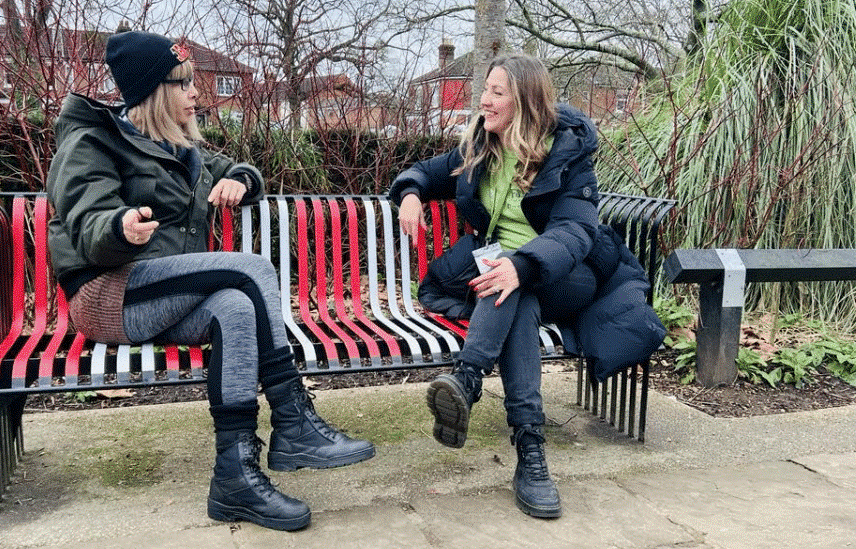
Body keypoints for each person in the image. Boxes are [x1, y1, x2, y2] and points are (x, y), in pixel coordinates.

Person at [46, 30, 375, 532]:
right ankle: (293, 420)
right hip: (108, 294)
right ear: (155, 94)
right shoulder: (91, 141)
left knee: (234, 308)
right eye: (182, 85)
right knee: (252, 270)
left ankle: (234, 478)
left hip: (164, 297)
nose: (195, 93)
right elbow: (87, 222)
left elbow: (242, 169)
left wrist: (240, 179)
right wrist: (119, 228)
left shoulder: (178, 148)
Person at [389, 54, 664, 519]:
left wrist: (524, 264)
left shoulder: (567, 154)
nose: (484, 100)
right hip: (515, 284)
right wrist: (411, 193)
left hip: (574, 276)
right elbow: (423, 170)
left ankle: (469, 378)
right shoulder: (481, 147)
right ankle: (530, 450)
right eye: (485, 90)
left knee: (513, 279)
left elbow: (577, 233)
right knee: (513, 291)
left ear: (524, 100)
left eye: (497, 92)